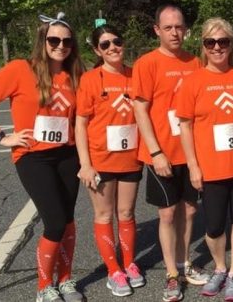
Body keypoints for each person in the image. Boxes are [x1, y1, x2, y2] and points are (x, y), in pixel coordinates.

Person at [0, 13, 85, 302]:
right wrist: (1, 136)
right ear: (42, 40)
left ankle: (65, 281)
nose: (60, 45)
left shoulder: (76, 74)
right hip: (33, 157)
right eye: (54, 40)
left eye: (66, 41)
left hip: (69, 155)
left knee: (68, 220)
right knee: (54, 221)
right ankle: (44, 287)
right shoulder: (21, 69)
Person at [131, 4, 209, 302]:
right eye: (168, 28)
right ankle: (171, 275)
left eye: (179, 27)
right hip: (161, 152)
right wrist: (155, 152)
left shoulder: (196, 62)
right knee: (167, 213)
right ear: (157, 30)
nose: (175, 32)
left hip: (190, 152)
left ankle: (185, 261)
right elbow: (140, 109)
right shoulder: (147, 63)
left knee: (190, 210)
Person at [177, 17, 233, 302]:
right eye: (211, 42)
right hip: (210, 166)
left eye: (223, 41)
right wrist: (193, 165)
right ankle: (219, 267)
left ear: (231, 44)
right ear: (203, 46)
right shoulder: (193, 81)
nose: (217, 47)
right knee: (213, 225)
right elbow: (185, 125)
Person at [75, 23, 144, 297]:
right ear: (97, 50)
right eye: (105, 44)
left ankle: (129, 264)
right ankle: (113, 270)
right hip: (100, 160)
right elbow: (80, 124)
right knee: (104, 214)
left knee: (126, 214)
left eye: (117, 41)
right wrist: (85, 164)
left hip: (130, 159)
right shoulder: (90, 79)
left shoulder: (135, 74)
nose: (113, 48)